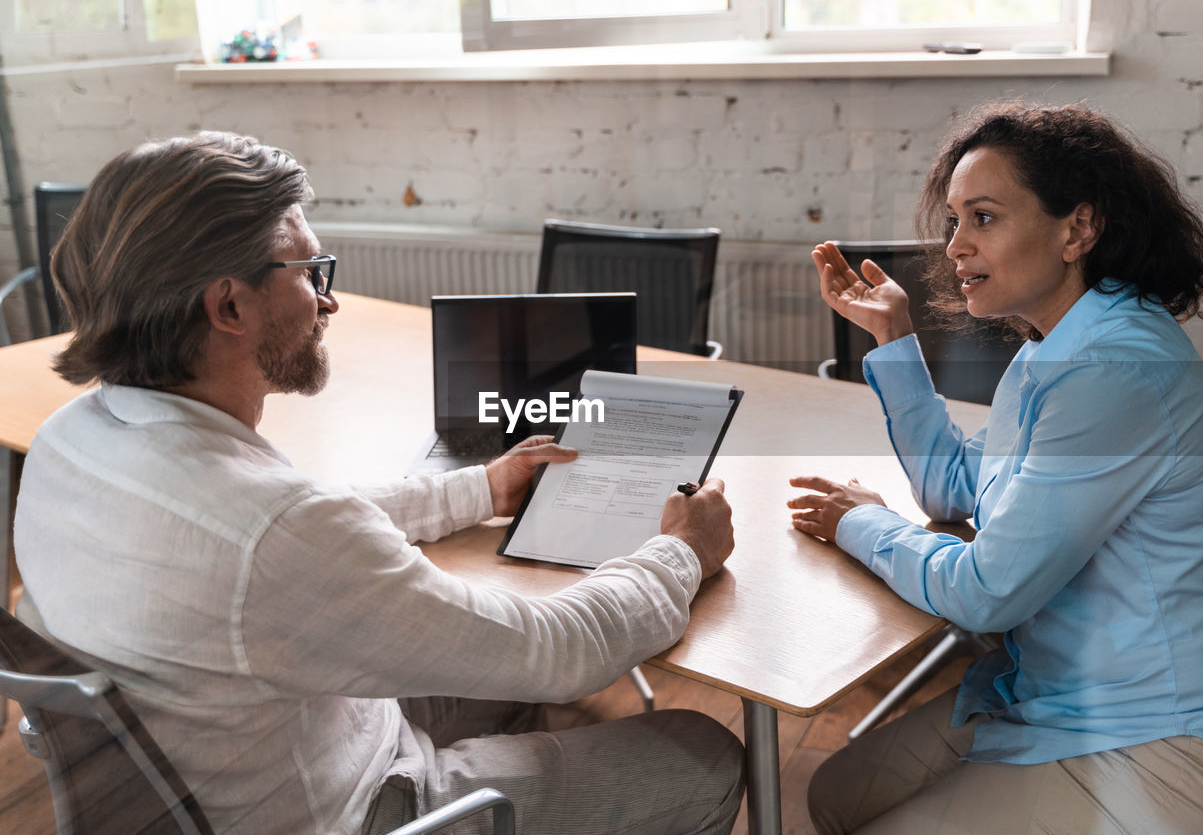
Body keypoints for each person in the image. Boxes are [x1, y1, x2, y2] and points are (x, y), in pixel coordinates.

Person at [14, 131, 745, 835]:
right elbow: (559, 649)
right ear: (229, 306)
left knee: (501, 685)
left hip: (239, 767)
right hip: (347, 812)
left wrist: (480, 490)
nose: (326, 301)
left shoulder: (72, 440)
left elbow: (307, 527)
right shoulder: (274, 532)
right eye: (307, 273)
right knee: (701, 755)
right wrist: (681, 551)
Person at [789, 102, 1203, 834]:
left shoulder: (1112, 372)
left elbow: (987, 594)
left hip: (1156, 748)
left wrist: (863, 523)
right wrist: (893, 334)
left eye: (982, 217)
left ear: (1077, 228)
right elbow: (954, 487)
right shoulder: (1050, 350)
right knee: (831, 796)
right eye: (954, 220)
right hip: (1047, 704)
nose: (955, 246)